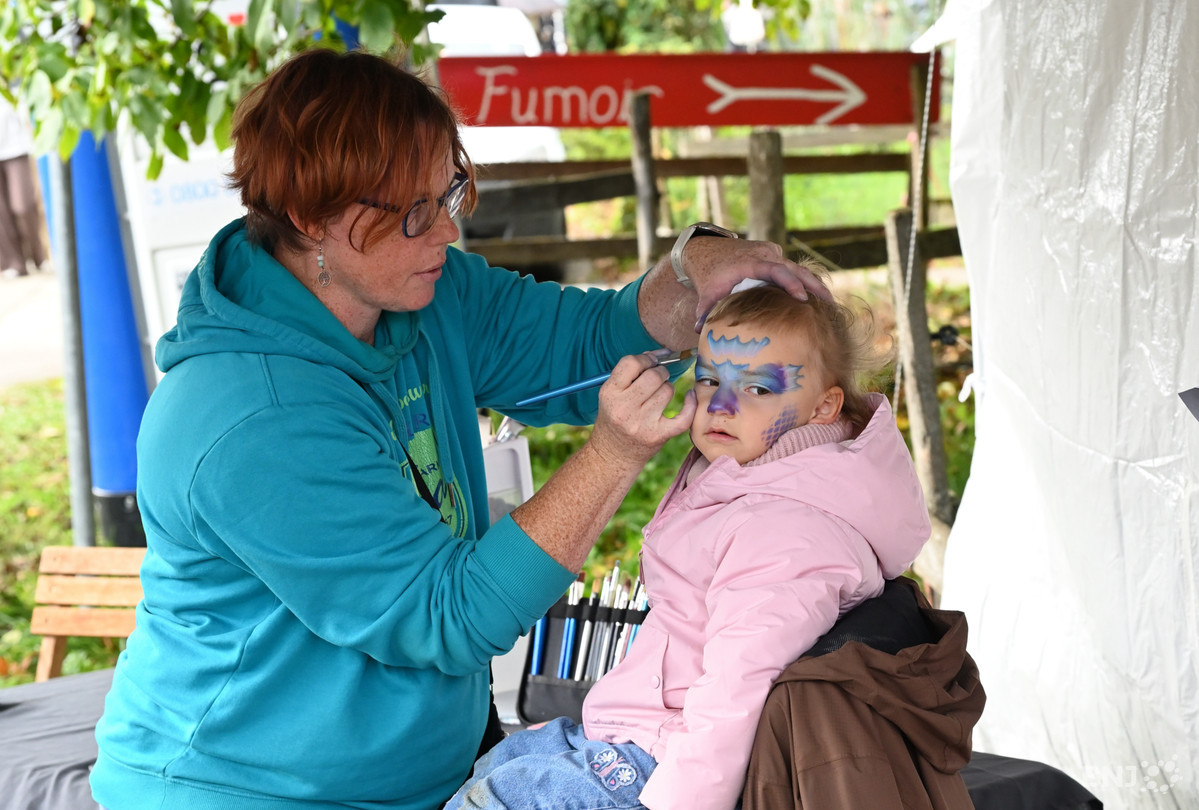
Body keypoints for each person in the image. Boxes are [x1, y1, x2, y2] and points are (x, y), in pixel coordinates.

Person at [88, 48, 828, 810]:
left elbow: (583, 345)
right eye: (413, 212)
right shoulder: (250, 417)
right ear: (311, 219)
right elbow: (450, 613)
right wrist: (611, 456)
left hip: (423, 776)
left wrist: (690, 271)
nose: (446, 230)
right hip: (245, 791)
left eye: (446, 192)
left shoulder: (422, 294)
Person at [445, 281, 932, 810]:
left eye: (757, 389)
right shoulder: (747, 480)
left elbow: (736, 690)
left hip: (668, 762)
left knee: (496, 798)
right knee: (497, 764)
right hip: (637, 728)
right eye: (709, 379)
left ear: (824, 406)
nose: (721, 405)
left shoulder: (785, 535)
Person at [0, 98, 48, 278]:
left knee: (24, 205)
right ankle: (13, 263)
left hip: (15, 147)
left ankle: (39, 256)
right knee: (1, 213)